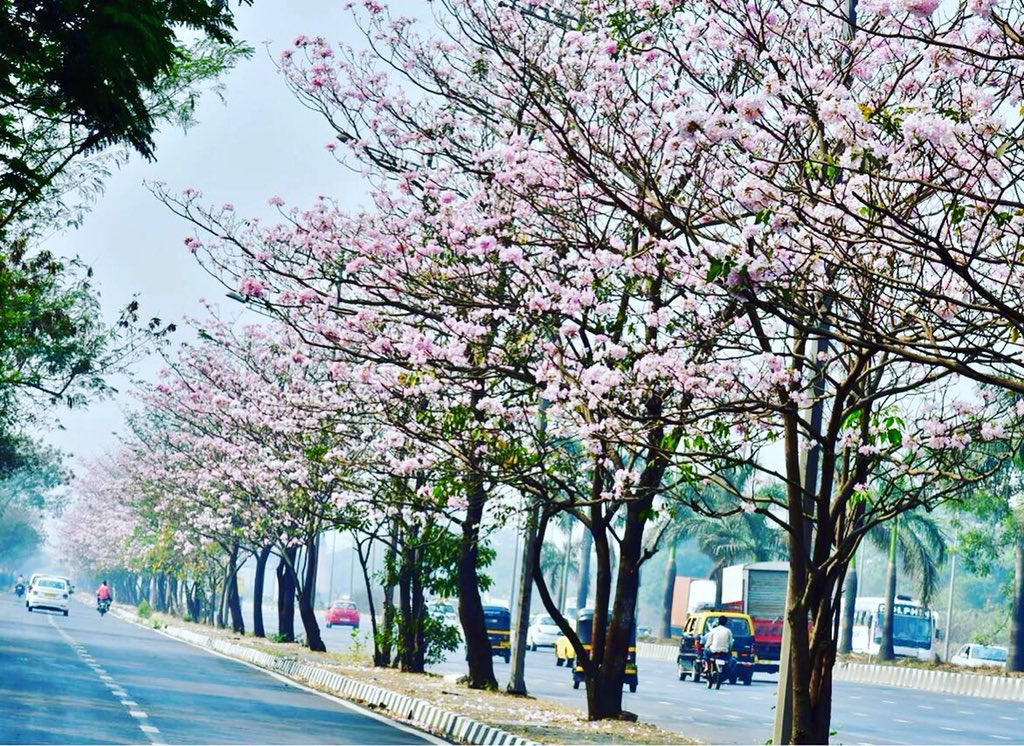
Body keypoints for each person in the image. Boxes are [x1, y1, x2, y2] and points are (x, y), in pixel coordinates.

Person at [702, 615, 735, 679]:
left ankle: (707, 667)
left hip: (713, 651)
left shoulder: (714, 630)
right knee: (732, 659)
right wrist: (729, 649)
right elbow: (730, 643)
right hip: (724, 652)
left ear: (718, 622)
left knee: (705, 652)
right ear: (726, 622)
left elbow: (708, 642)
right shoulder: (728, 631)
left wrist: (706, 646)